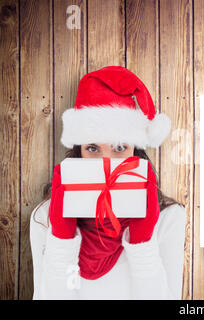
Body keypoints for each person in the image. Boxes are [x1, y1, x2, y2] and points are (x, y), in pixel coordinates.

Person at [30, 66, 186, 300]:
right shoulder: (45, 218)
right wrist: (61, 240)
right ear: (79, 151)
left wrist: (143, 242)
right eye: (93, 148)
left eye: (120, 148)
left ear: (136, 151)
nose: (106, 163)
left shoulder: (168, 218)